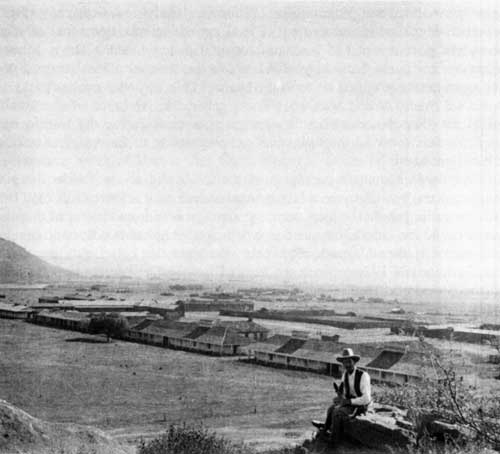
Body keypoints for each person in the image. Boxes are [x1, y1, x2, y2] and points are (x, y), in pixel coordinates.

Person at [312, 348, 371, 446]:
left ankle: (334, 441)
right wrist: (339, 398)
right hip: (350, 403)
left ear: (354, 362)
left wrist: (348, 402)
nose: (347, 365)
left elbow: (366, 399)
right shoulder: (345, 375)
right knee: (331, 408)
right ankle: (326, 429)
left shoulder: (363, 376)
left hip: (361, 406)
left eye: (349, 362)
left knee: (337, 412)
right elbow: (344, 393)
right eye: (345, 362)